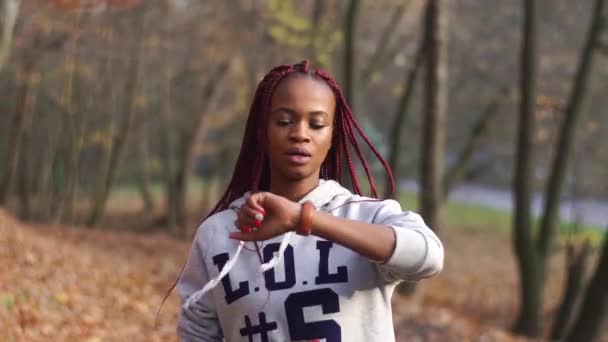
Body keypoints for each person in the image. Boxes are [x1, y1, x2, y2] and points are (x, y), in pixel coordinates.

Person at [176, 61, 444, 342]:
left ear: (332, 137)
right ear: (261, 131)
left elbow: (428, 258)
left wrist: (305, 220)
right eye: (284, 121)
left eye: (316, 124)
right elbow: (197, 331)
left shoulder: (368, 217)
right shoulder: (219, 233)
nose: (300, 134)